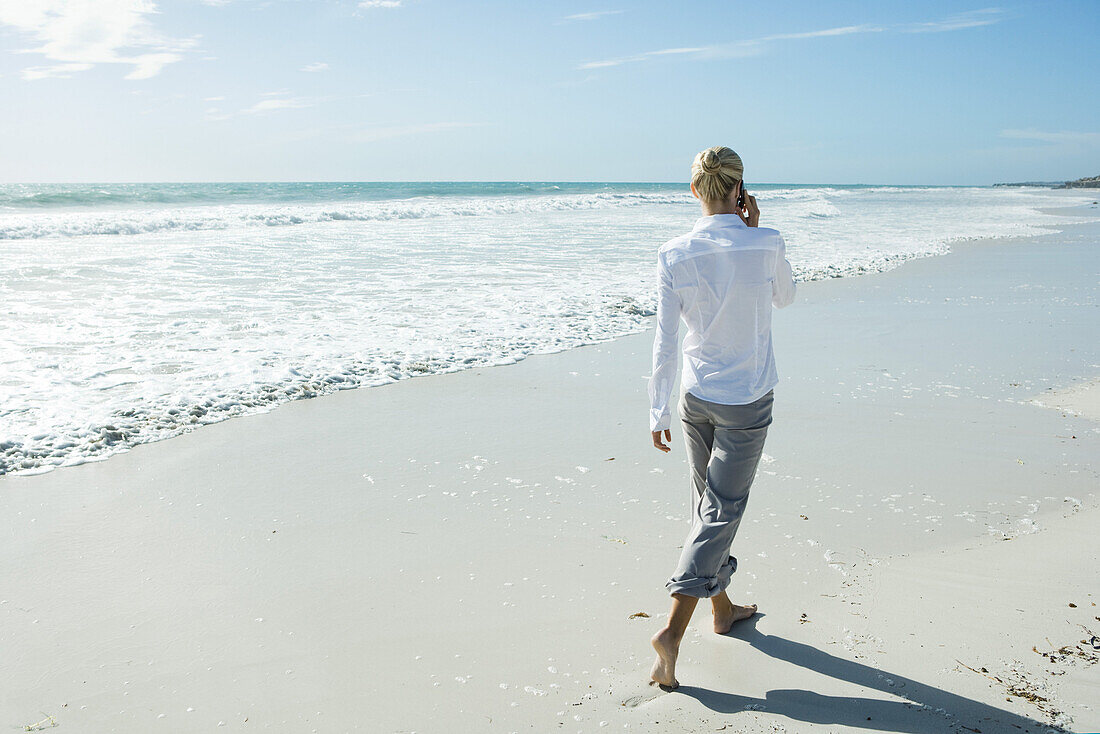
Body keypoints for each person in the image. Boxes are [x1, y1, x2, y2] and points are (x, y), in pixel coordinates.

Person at [647, 145, 797, 690]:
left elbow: (665, 339)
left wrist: (656, 406)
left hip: (694, 396)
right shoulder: (766, 241)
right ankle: (671, 631)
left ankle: (723, 608)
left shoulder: (673, 252)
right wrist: (755, 228)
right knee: (721, 510)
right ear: (740, 188)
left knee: (706, 508)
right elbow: (786, 298)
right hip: (746, 399)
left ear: (694, 190)